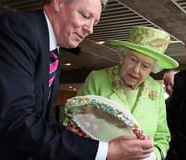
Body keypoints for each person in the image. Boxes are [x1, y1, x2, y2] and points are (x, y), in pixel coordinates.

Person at [0, 0, 154, 159]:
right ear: (57, 2)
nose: (90, 30)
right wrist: (105, 151)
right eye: (84, 15)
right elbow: (15, 120)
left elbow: (40, 119)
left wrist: (70, 135)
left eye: (94, 23)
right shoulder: (16, 30)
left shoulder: (52, 52)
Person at [77, 26, 179, 159]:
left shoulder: (156, 89)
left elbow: (162, 135)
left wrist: (153, 156)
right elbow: (76, 124)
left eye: (145, 66)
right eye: (133, 60)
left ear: (152, 69)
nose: (136, 70)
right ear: (123, 57)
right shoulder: (97, 79)